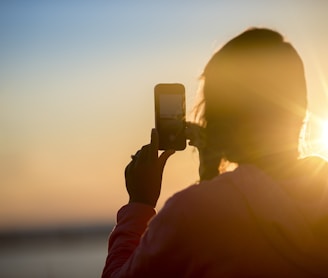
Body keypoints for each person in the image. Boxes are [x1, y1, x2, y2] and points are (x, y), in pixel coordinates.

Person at [101, 28, 328, 277]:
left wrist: (138, 205)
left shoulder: (191, 213)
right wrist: (210, 177)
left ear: (219, 115)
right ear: (301, 108)